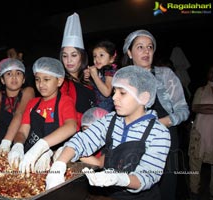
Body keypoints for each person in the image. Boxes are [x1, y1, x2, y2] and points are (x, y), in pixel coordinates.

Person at [46, 66, 171, 199]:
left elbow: (148, 175)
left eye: (122, 93)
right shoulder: (110, 120)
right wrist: (59, 165)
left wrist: (120, 179)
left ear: (144, 97)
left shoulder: (159, 133)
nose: (114, 97)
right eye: (114, 91)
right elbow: (83, 140)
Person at [122, 29, 190, 200]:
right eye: (140, 47)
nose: (146, 51)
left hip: (166, 138)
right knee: (138, 188)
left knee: (165, 187)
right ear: (129, 52)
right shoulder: (123, 79)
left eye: (150, 47)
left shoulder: (165, 75)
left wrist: (161, 123)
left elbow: (183, 110)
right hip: (135, 140)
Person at [7, 57, 77, 175]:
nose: (41, 84)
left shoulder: (65, 101)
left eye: (46, 79)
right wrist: (18, 145)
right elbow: (22, 132)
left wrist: (44, 148)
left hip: (51, 161)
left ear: (59, 81)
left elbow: (71, 127)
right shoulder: (33, 103)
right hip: (28, 156)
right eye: (37, 79)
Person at [59, 12, 96, 127]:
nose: (69, 60)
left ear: (82, 57)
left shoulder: (89, 81)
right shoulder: (61, 83)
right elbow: (64, 115)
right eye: (65, 56)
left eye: (74, 55)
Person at [188, 64, 213, 200]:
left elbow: (202, 108)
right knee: (195, 165)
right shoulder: (201, 90)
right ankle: (194, 192)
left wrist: (206, 107)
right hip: (199, 134)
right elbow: (195, 107)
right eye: (211, 71)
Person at [86, 40, 118, 112]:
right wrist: (87, 78)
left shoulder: (110, 71)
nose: (97, 59)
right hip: (96, 109)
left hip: (106, 112)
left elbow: (107, 92)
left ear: (111, 59)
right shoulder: (100, 71)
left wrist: (94, 76)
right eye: (95, 56)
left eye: (101, 55)